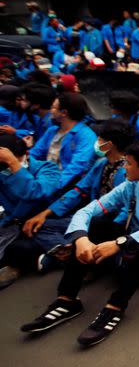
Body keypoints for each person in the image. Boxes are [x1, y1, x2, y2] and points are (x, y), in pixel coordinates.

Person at [19, 140, 139, 347]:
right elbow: (88, 210)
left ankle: (115, 307)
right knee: (96, 225)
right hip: (138, 240)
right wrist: (81, 239)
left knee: (138, 246)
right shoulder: (132, 185)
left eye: (129, 163)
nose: (124, 167)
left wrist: (119, 243)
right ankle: (67, 299)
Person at [0, 121, 131, 289]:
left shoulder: (127, 168)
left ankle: (79, 258)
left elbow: (126, 207)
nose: (96, 143)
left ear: (109, 144)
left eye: (99, 139)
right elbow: (79, 190)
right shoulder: (101, 164)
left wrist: (14, 165)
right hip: (92, 215)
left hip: (110, 222)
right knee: (38, 225)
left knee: (25, 242)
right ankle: (64, 251)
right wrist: (46, 212)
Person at [0, 134, 61, 286]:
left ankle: (48, 259)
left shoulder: (48, 169)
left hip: (45, 225)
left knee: (19, 249)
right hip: (13, 225)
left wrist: (13, 164)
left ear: (26, 154)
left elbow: (33, 192)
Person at [29, 92, 97, 191]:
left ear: (64, 113)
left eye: (53, 108)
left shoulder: (86, 136)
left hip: (65, 188)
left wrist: (52, 186)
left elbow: (76, 168)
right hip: (44, 180)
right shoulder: (52, 131)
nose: (51, 111)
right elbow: (35, 153)